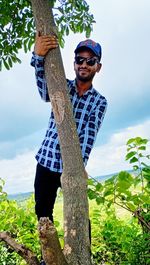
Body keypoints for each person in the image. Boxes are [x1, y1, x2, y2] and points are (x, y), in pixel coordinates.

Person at [31, 35, 107, 263]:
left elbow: (88, 139)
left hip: (70, 170)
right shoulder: (61, 85)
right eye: (79, 59)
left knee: (79, 216)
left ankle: (83, 258)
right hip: (45, 162)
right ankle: (49, 258)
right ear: (74, 63)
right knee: (43, 215)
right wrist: (37, 57)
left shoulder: (99, 102)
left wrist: (77, 168)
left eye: (90, 60)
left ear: (98, 67)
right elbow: (44, 92)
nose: (84, 64)